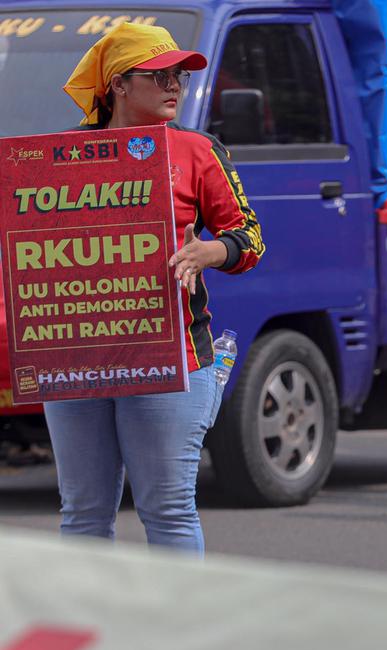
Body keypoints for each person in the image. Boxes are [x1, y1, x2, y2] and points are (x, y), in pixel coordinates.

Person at [55, 23, 264, 553]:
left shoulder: (198, 150)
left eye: (181, 75)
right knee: (82, 515)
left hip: (172, 354)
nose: (176, 85)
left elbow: (250, 237)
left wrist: (209, 251)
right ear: (118, 86)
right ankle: (89, 634)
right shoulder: (58, 157)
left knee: (169, 509)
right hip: (74, 356)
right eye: (160, 75)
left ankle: (176, 635)